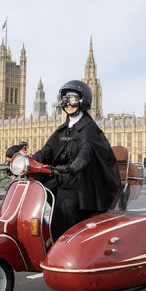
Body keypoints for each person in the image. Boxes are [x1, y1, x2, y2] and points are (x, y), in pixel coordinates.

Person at [32, 80, 121, 241]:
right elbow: (48, 150)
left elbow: (87, 150)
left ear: (82, 101)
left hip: (83, 181)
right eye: (65, 100)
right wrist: (28, 159)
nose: (68, 104)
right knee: (40, 195)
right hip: (61, 178)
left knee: (65, 204)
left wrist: (74, 166)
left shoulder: (89, 128)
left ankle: (69, 243)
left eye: (72, 100)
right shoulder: (64, 128)